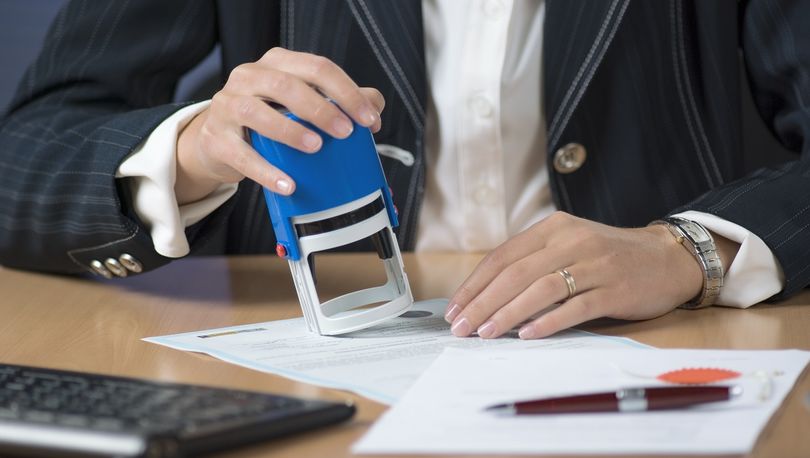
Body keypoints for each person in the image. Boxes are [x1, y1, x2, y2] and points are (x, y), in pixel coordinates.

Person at [0, 0, 807, 340]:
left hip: (664, 347)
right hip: (318, 377)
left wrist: (687, 250)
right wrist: (190, 152)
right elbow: (21, 155)